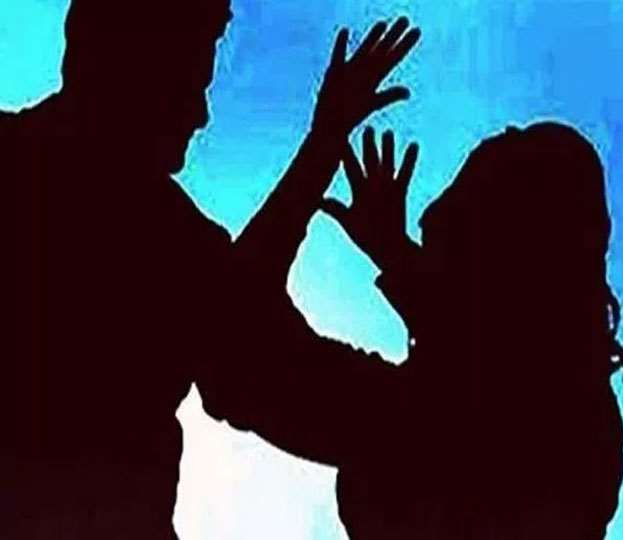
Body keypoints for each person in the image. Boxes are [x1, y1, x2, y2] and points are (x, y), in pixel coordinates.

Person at [1, 0, 420, 537]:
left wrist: (323, 149)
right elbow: (273, 372)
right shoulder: (169, 248)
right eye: (190, 79)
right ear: (122, 61)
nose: (200, 115)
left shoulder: (172, 245)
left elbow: (250, 347)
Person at [232, 122, 623, 538]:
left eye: (456, 210)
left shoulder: (431, 415)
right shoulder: (577, 427)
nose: (427, 217)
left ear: (501, 254)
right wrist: (400, 259)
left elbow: (244, 360)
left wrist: (321, 147)